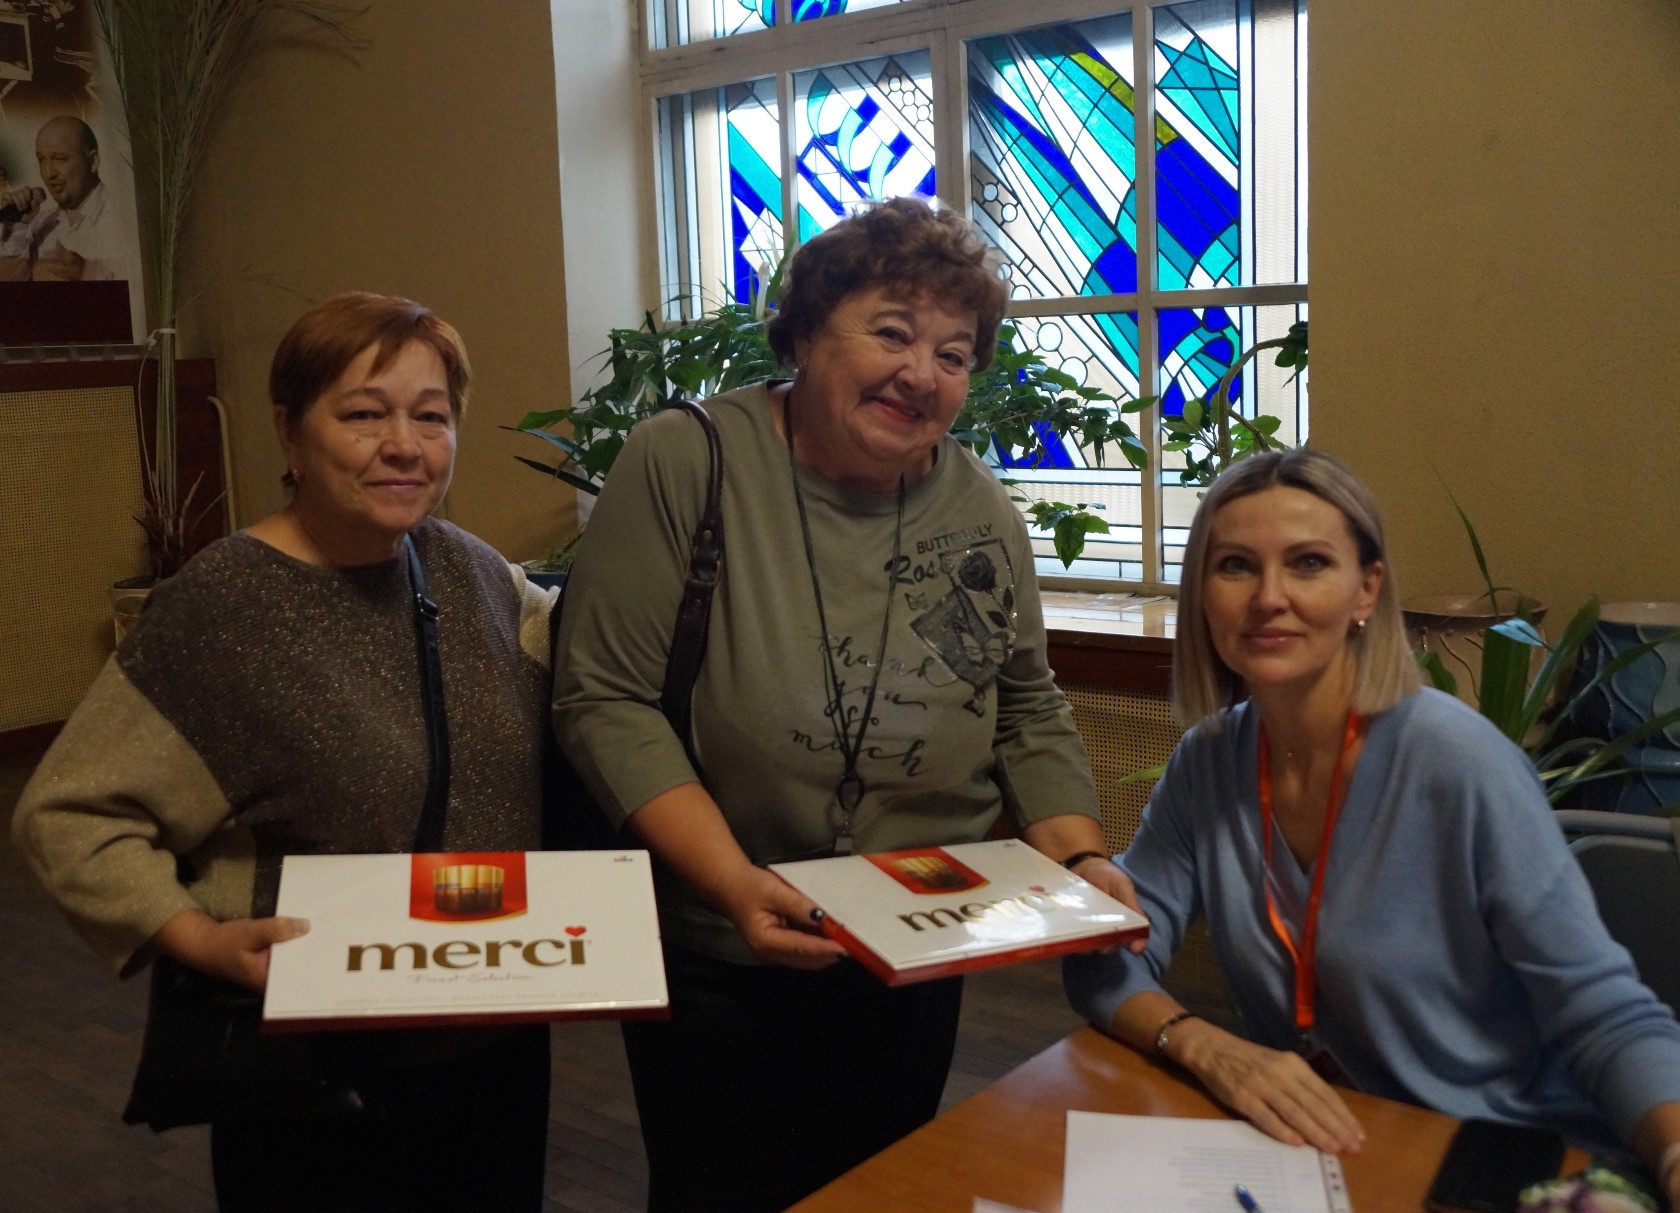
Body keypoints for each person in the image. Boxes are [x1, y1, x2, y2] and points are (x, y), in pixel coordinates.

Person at [554, 196, 1142, 1212]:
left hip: (917, 934)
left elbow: (1021, 706)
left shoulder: (978, 508)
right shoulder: (689, 461)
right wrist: (735, 883)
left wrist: (1085, 859)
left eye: (954, 354)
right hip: (722, 940)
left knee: (878, 1187)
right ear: (805, 333)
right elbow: (606, 698)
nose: (922, 373)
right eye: (893, 333)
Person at [13, 292, 557, 1211]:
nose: (404, 444)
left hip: (491, 1037)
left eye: (431, 416)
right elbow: (68, 812)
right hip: (317, 1065)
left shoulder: (471, 572)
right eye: (363, 414)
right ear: (289, 431)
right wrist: (194, 935)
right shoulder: (224, 607)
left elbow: (588, 661)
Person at [1064, 447, 1680, 1201]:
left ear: (1367, 588)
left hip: (1492, 1156)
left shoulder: (1460, 764)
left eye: (1308, 563)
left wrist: (1674, 1152)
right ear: (1202, 595)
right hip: (1314, 1153)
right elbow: (1107, 958)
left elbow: (1604, 1012)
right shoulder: (1209, 761)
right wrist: (1197, 1041)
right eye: (1235, 566)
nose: (1269, 597)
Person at [0, 115, 136, 282]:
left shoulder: (127, 218)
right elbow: (10, 289)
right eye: (42, 160)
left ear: (93, 161)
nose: (49, 173)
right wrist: (17, 226)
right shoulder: (40, 225)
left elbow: (141, 287)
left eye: (60, 159)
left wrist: (86, 272)